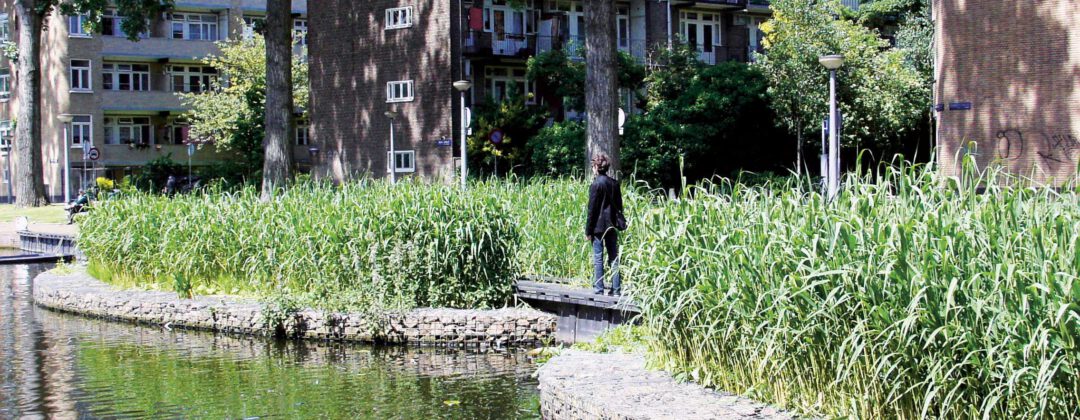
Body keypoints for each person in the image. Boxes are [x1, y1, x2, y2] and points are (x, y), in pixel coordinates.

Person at [585, 153, 625, 296]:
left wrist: (588, 231)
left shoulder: (595, 185)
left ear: (596, 167)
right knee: (614, 257)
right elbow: (619, 206)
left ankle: (599, 289)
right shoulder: (615, 184)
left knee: (598, 257)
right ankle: (616, 290)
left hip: (598, 227)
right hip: (612, 225)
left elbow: (592, 211)